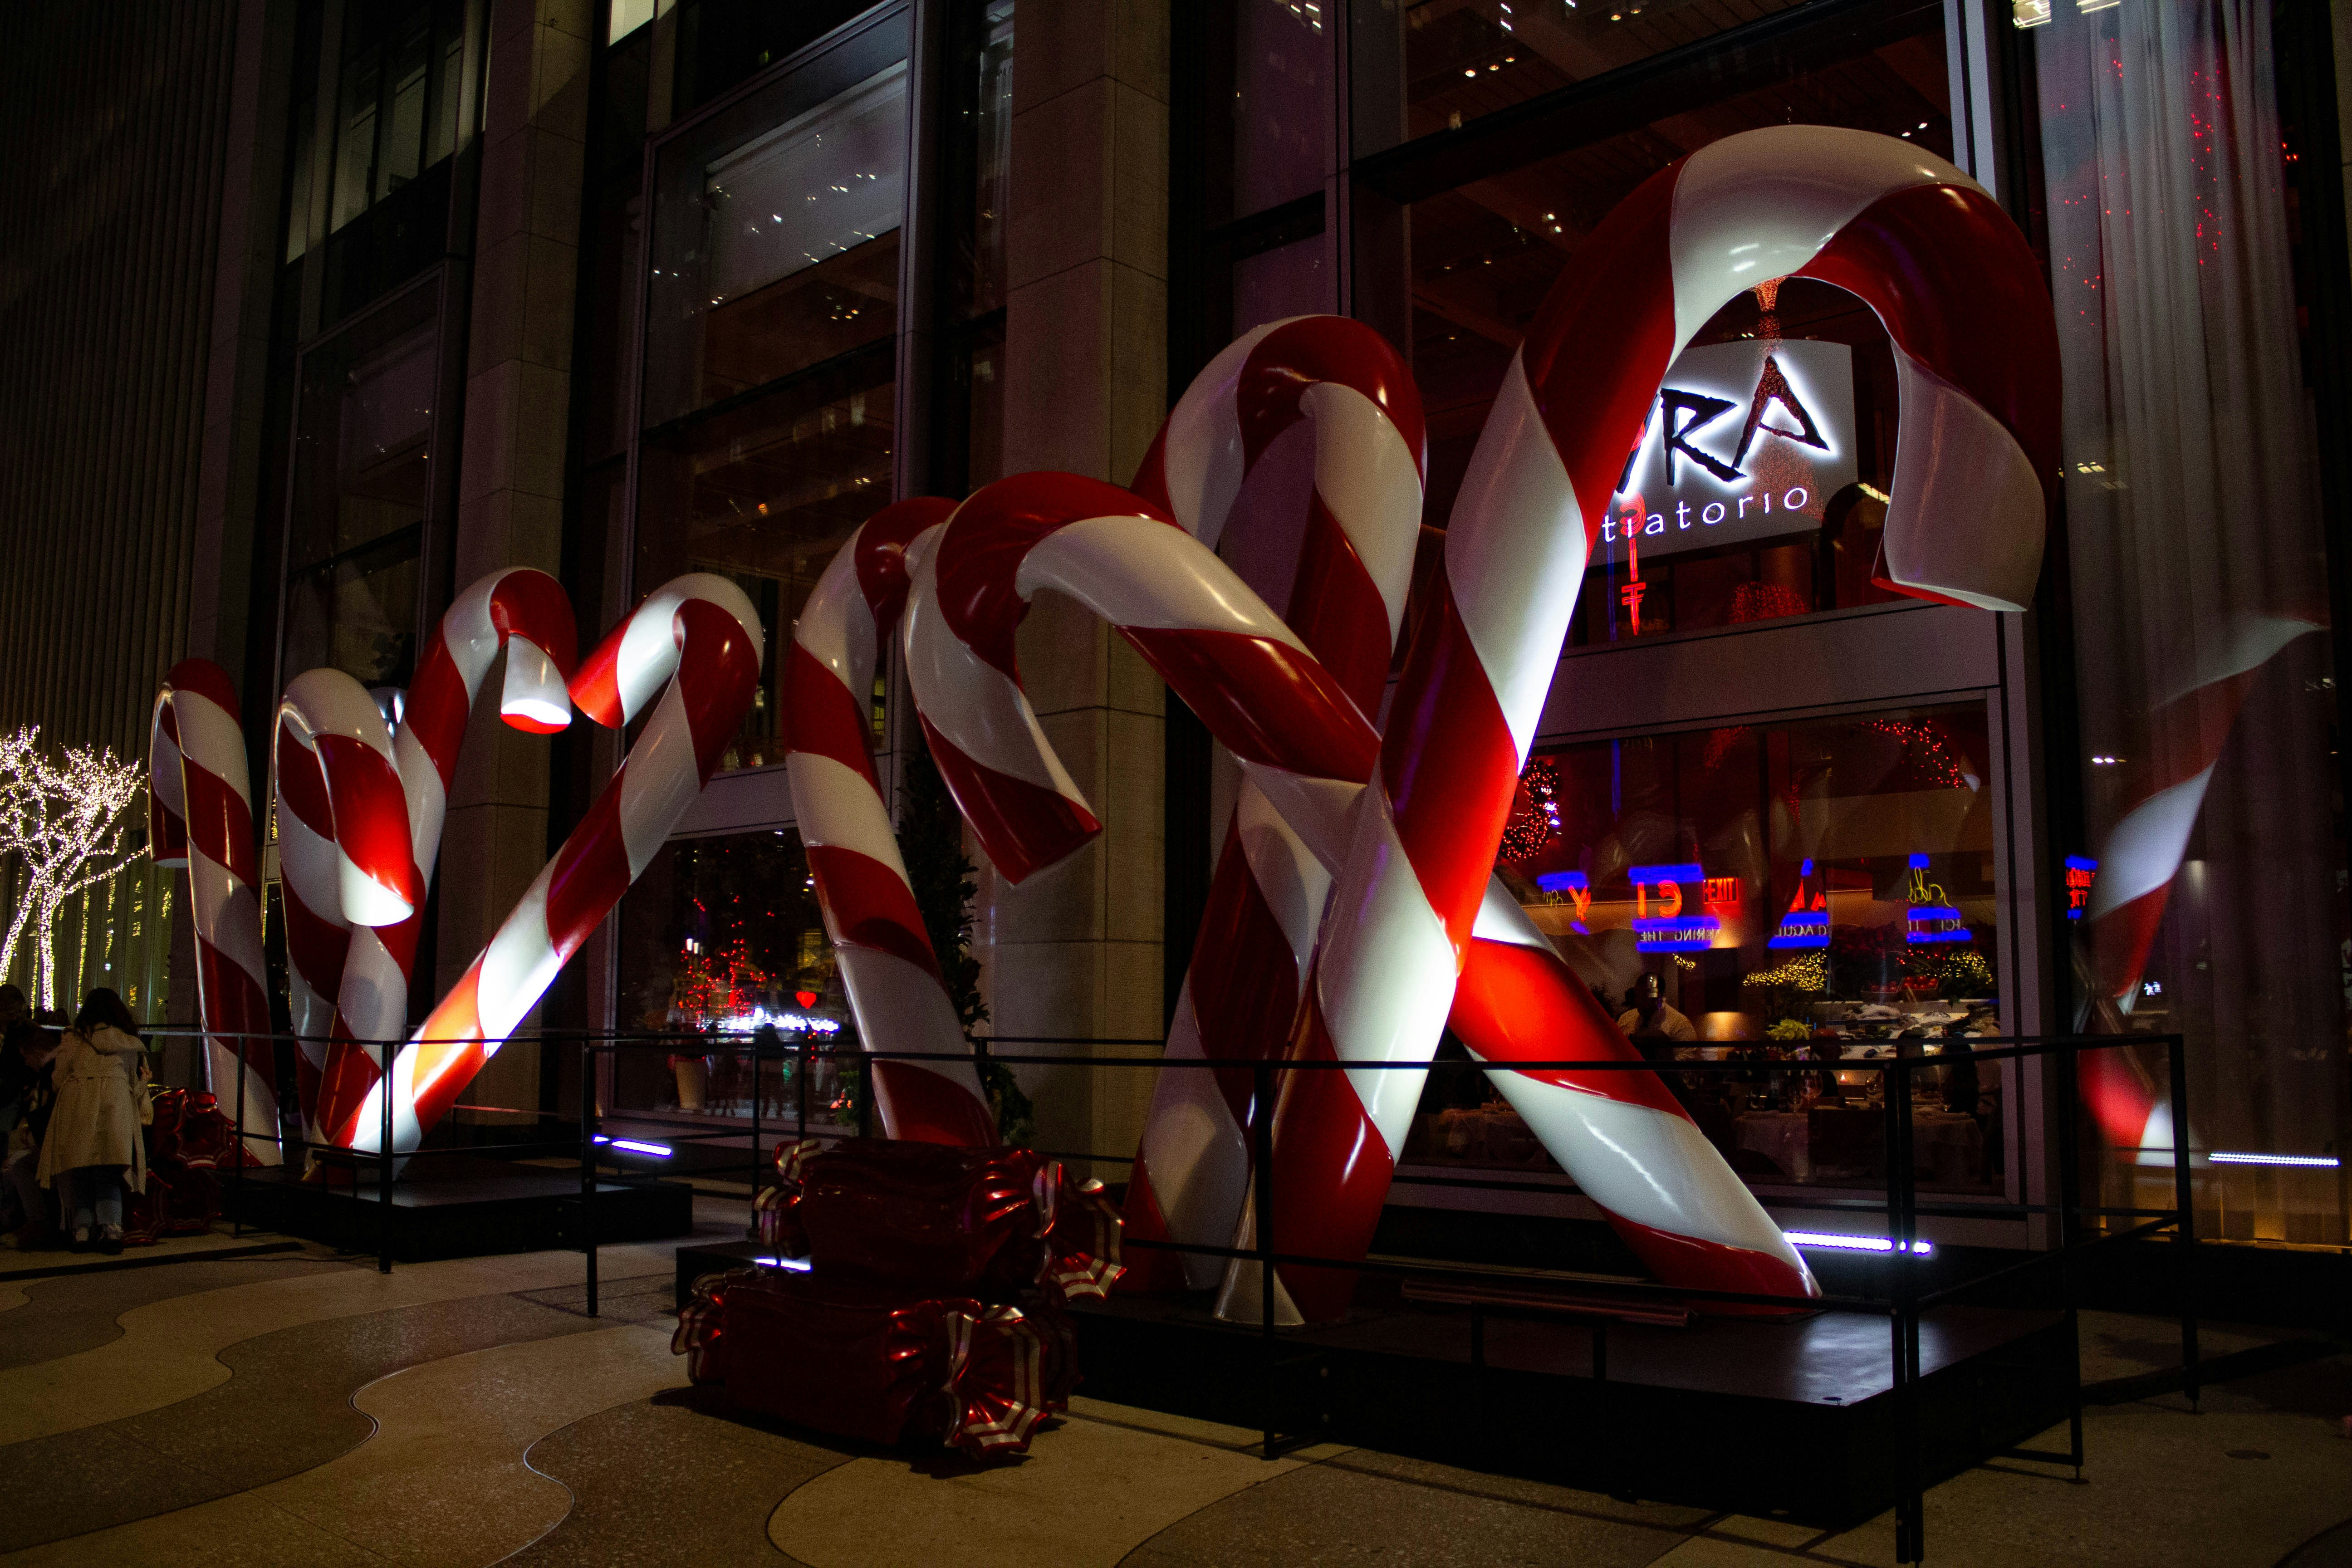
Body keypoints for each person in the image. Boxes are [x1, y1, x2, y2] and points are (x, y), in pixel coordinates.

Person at [36, 989, 148, 1254]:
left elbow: (59, 1077)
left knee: (80, 1169)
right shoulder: (126, 1042)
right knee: (108, 1169)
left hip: (77, 1103)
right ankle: (111, 1229)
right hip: (115, 1103)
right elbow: (134, 1083)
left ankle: (82, 1230)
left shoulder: (74, 1039)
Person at [0, 1010, 59, 1247]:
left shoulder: (51, 1074)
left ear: (37, 1053)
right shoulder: (50, 1072)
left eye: (27, 1057)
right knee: (14, 1164)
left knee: (19, 1166)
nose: (26, 1063)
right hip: (51, 1139)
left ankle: (36, 1222)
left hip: (56, 1142)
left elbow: (50, 1112)